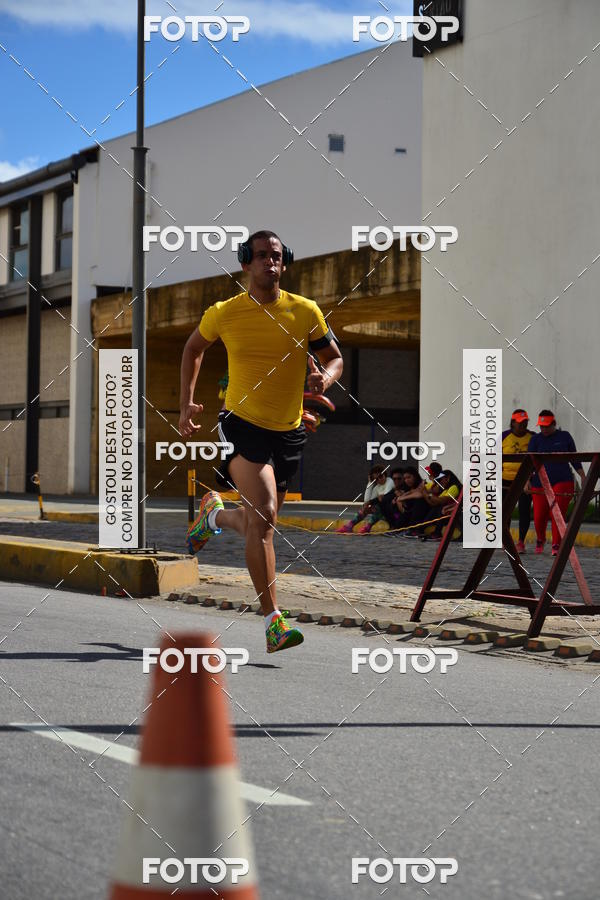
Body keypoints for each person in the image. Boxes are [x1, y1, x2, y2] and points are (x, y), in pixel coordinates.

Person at [179, 230, 343, 653]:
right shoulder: (225, 312)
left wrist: (326, 377)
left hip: (288, 431)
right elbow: (193, 348)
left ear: (283, 262)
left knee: (257, 523)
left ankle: (213, 515)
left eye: (276, 256)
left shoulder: (305, 311)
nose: (270, 263)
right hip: (240, 423)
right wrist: (186, 404)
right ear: (245, 264)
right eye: (261, 256)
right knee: (266, 513)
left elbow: (334, 357)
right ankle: (274, 620)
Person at [527, 410, 585, 556]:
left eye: (547, 426)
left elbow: (574, 458)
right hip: (539, 482)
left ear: (554, 424)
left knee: (557, 514)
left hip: (563, 480)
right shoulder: (535, 440)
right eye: (541, 426)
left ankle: (556, 544)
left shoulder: (564, 437)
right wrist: (526, 481)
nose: (544, 429)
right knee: (539, 515)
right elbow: (529, 463)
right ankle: (540, 539)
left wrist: (583, 476)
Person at [502, 409, 534, 553]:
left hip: (525, 479)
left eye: (525, 422)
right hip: (505, 479)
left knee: (524, 511)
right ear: (513, 423)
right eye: (520, 422)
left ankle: (521, 542)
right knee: (504, 511)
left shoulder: (533, 437)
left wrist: (531, 477)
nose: (523, 425)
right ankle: (505, 540)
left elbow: (537, 459)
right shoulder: (503, 437)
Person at [336, 465, 394, 533]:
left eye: (380, 477)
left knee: (378, 506)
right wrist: (370, 483)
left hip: (394, 514)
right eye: (375, 479)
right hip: (384, 513)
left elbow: (385, 497)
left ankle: (368, 527)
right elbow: (367, 501)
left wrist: (371, 503)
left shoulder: (389, 481)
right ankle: (350, 525)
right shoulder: (377, 488)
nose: (379, 480)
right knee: (367, 506)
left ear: (385, 475)